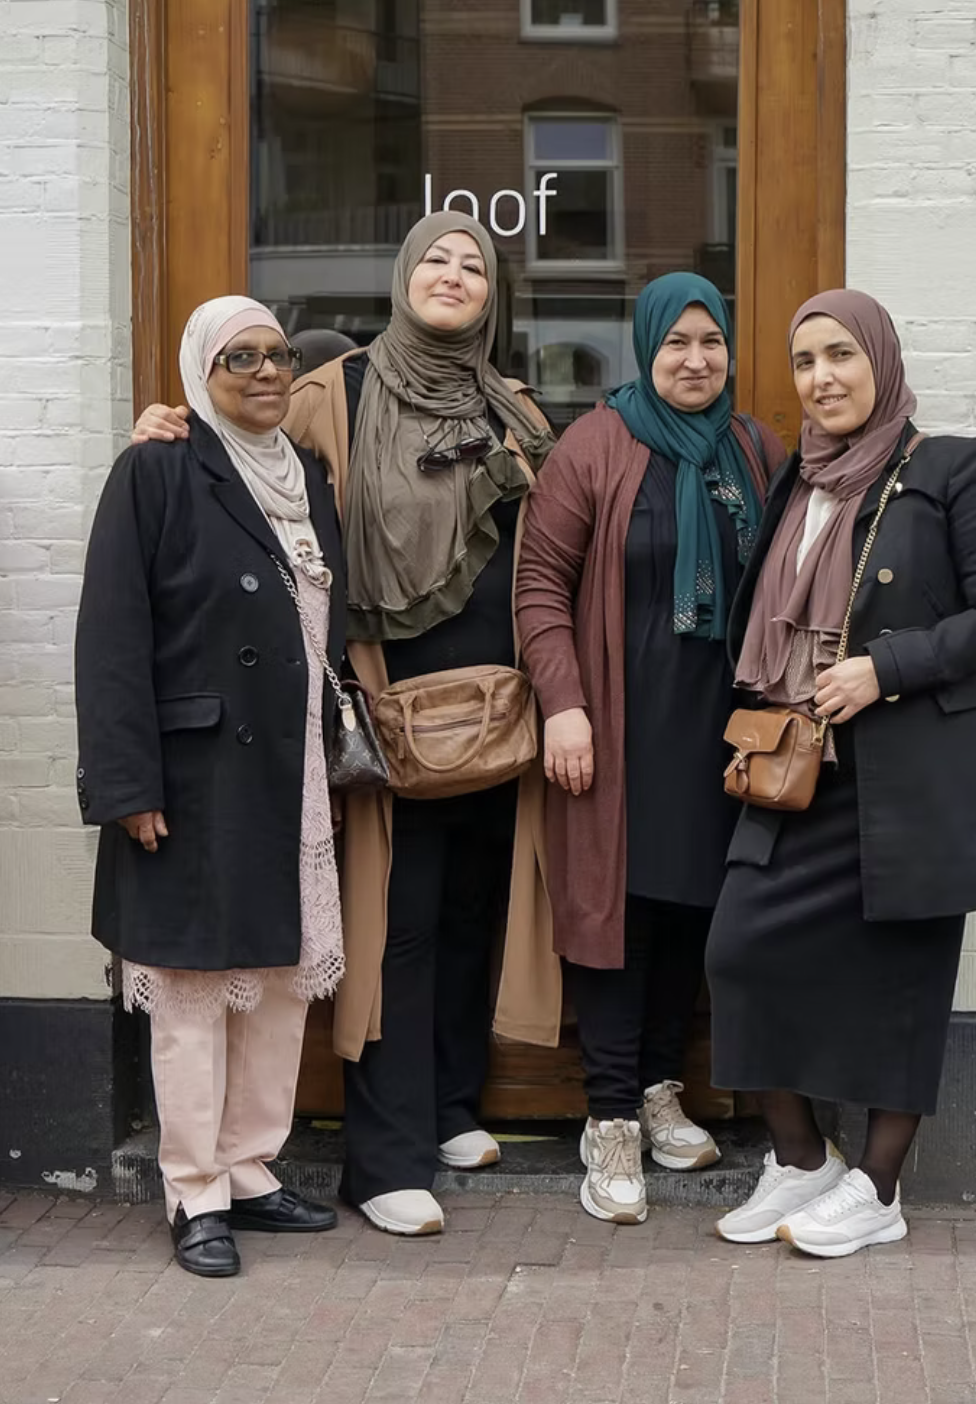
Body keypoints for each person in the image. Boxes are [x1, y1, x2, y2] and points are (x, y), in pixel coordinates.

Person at [129, 214, 559, 1238]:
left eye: (473, 264)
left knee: (468, 912)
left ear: (492, 293)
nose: (454, 274)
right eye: (435, 260)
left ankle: (449, 1106)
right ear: (404, 278)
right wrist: (170, 428)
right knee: (394, 927)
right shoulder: (337, 390)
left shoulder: (512, 406)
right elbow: (246, 451)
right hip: (381, 710)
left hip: (496, 711)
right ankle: (385, 1155)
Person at [707, 289, 976, 1258]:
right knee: (738, 952)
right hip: (794, 768)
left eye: (839, 355)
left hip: (909, 774)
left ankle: (877, 1189)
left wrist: (883, 668)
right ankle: (800, 1159)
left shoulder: (949, 468)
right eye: (803, 361)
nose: (821, 378)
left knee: (900, 982)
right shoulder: (795, 481)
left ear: (878, 360)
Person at [76, 296, 348, 1277]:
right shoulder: (157, 469)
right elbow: (111, 638)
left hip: (289, 769)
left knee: (279, 983)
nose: (267, 372)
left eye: (279, 355)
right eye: (241, 357)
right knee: (193, 990)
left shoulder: (307, 478)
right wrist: (126, 782)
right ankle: (193, 1191)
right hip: (191, 776)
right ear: (202, 368)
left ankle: (249, 1168)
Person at [515, 273, 786, 1224]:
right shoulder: (594, 444)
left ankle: (664, 1084)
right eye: (678, 343)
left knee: (692, 912)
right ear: (647, 346)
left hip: (719, 729)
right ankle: (611, 1116)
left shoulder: (755, 449)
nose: (696, 360)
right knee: (616, 914)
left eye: (712, 343)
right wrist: (564, 707)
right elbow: (540, 586)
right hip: (617, 724)